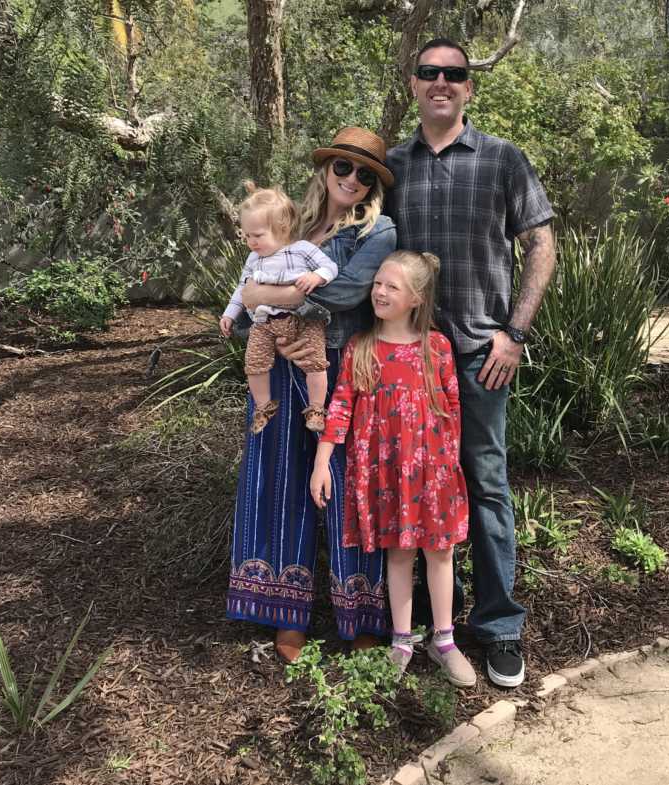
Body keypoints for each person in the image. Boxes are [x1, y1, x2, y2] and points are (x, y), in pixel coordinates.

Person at [385, 38, 557, 688]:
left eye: (453, 74)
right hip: (410, 361)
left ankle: (499, 628)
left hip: (484, 356)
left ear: (468, 88)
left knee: (484, 484)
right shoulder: (393, 166)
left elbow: (542, 247)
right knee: (411, 490)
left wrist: (515, 332)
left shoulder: (503, 159)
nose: (441, 82)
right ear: (413, 84)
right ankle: (427, 627)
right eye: (429, 72)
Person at [226, 127, 397, 663]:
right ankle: (284, 611)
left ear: (374, 185)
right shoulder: (293, 223)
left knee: (350, 486)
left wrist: (262, 294)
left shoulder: (379, 230)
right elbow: (246, 299)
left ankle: (363, 614)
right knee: (280, 480)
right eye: (342, 168)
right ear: (326, 170)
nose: (351, 179)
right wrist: (249, 302)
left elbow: (349, 293)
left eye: (364, 174)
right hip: (277, 370)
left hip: (341, 368)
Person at [310, 251, 477, 688]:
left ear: (416, 298)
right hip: (383, 473)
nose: (380, 292)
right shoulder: (361, 347)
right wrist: (323, 459)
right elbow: (341, 404)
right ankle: (402, 641)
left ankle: (445, 640)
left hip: (431, 472)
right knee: (398, 553)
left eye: (392, 286)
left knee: (440, 554)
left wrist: (448, 465)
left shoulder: (435, 346)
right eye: (378, 283)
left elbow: (453, 408)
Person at [220, 183, 338, 434]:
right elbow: (242, 289)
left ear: (282, 227)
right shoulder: (254, 259)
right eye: (247, 236)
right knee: (254, 362)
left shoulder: (302, 250)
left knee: (316, 362)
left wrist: (317, 277)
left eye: (257, 235)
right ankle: (263, 407)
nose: (251, 242)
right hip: (265, 323)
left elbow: (330, 267)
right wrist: (230, 313)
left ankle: (317, 408)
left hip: (303, 319)